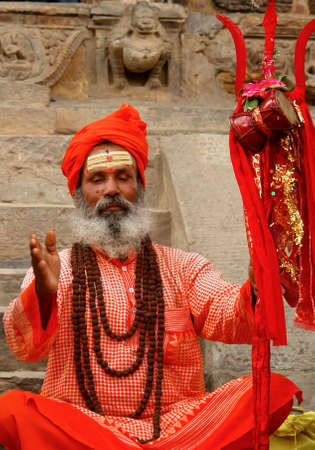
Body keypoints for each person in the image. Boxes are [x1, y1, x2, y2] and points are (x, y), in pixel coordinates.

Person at [0, 103, 301, 450]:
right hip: (87, 428)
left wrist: (257, 286)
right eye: (97, 179)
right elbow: (25, 349)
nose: (111, 189)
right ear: (79, 194)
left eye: (123, 177)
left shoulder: (183, 266)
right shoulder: (58, 268)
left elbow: (227, 315)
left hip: (176, 428)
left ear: (139, 189)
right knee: (12, 409)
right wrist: (43, 294)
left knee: (269, 391)